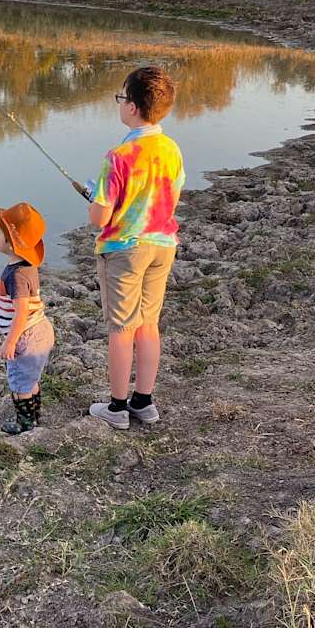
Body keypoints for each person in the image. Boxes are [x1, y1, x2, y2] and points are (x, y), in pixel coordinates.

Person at [85, 65, 184, 431]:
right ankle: (144, 401)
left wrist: (94, 200)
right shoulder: (171, 149)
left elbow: (100, 217)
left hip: (125, 250)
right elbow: (172, 196)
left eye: (121, 97)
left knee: (121, 328)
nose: (120, 103)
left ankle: (117, 407)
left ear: (132, 107)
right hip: (163, 246)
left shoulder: (119, 156)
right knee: (148, 324)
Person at [0, 199, 55, 435]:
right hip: (39, 330)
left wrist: (11, 341)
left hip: (26, 336)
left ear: (11, 243)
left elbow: (21, 312)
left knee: (19, 382)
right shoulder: (27, 267)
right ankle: (34, 416)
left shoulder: (16, 276)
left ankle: (26, 424)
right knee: (30, 378)